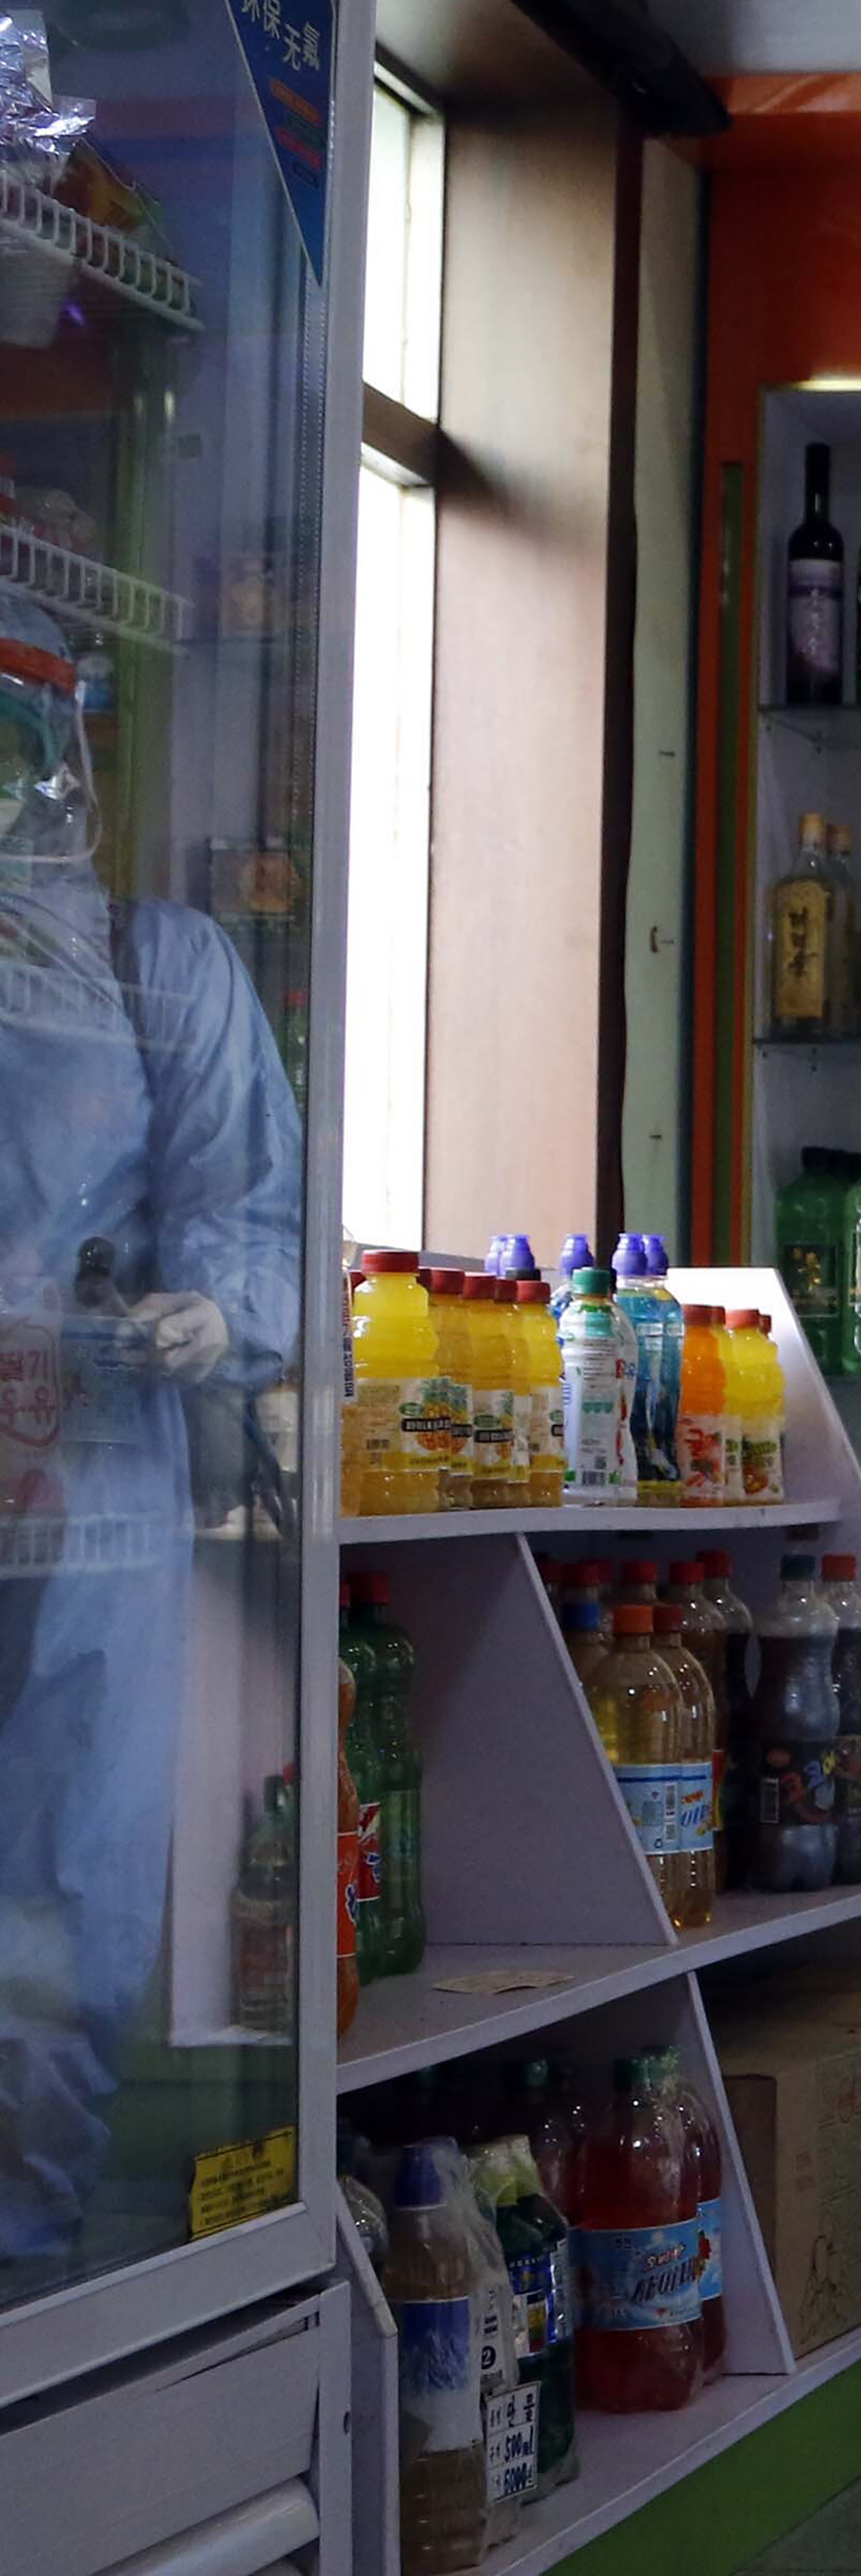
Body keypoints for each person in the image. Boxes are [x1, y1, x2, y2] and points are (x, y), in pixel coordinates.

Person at [0, 619, 304, 2293]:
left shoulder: (149, 965)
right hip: (84, 1472)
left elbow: (255, 1214)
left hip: (90, 1480)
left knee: (65, 1887)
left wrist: (209, 1313)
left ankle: (23, 2252)